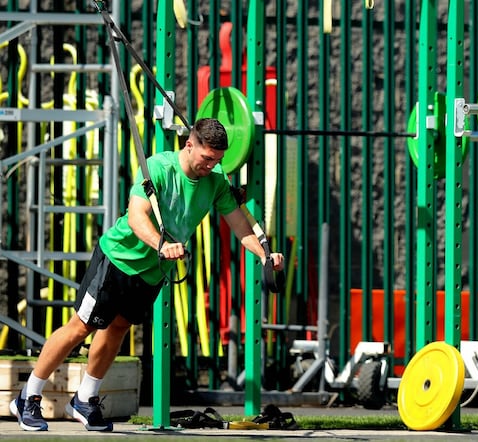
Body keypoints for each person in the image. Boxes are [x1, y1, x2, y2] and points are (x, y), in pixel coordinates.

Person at [8, 118, 284, 432]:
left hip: (152, 271)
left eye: (217, 160)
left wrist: (265, 256)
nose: (211, 165)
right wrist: (161, 243)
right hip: (118, 259)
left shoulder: (217, 180)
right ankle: (27, 396)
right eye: (207, 158)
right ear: (189, 144)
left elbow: (238, 225)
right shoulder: (159, 167)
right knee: (80, 327)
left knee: (118, 329)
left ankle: (85, 399)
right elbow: (136, 215)